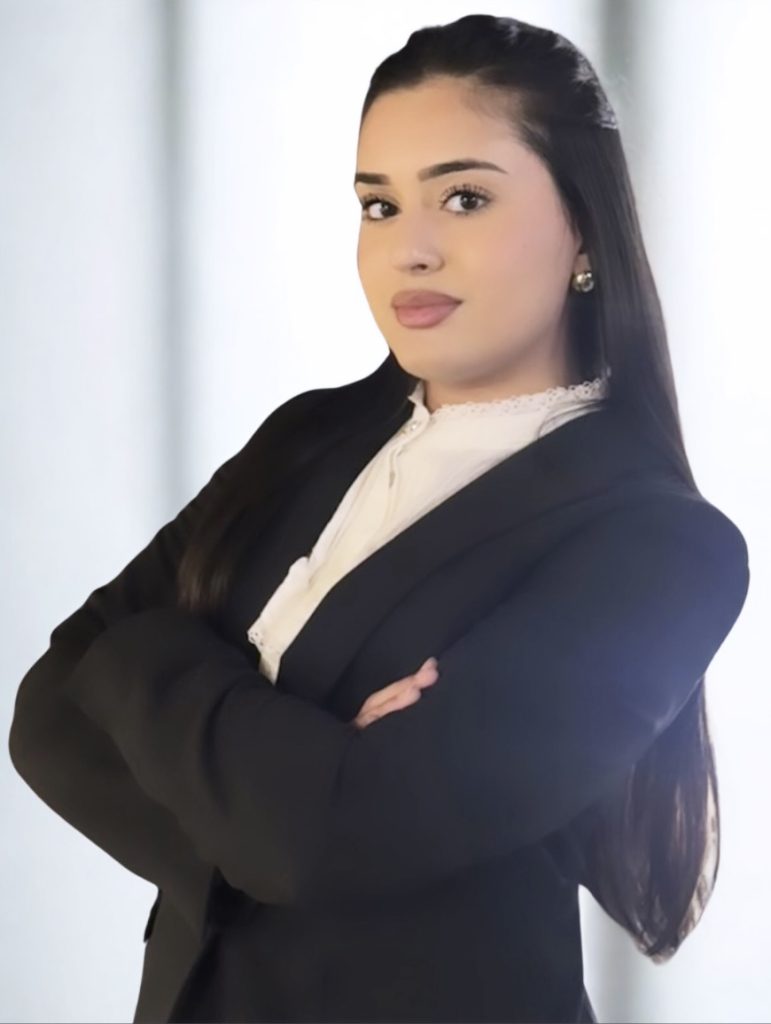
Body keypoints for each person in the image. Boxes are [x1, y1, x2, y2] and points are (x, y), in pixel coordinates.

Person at [8, 13, 750, 1024]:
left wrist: (138, 655)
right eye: (379, 205)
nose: (411, 249)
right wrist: (283, 798)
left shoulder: (660, 548)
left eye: (464, 197)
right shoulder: (305, 439)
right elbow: (48, 717)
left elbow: (335, 834)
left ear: (582, 226)